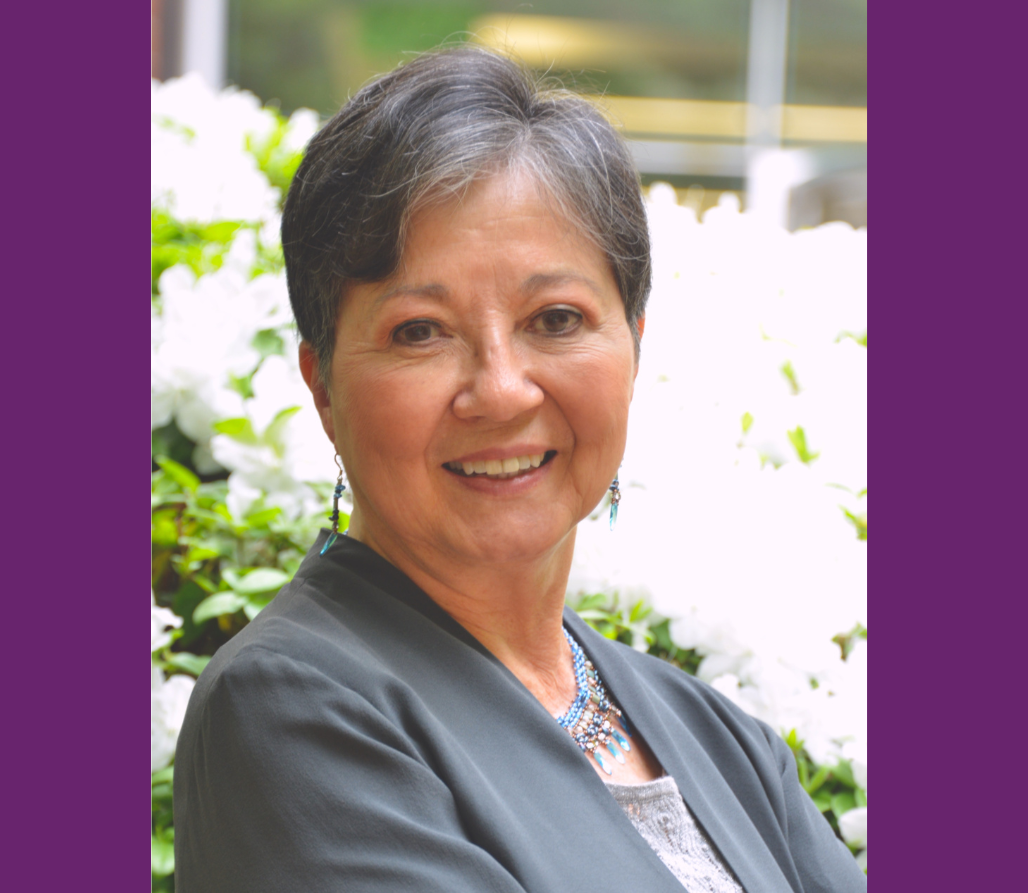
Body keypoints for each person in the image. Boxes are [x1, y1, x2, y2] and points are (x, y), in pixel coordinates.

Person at [174, 46, 866, 893]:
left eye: (557, 317)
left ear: (635, 348)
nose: (500, 389)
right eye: (420, 331)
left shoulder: (727, 743)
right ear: (324, 388)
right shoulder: (291, 711)